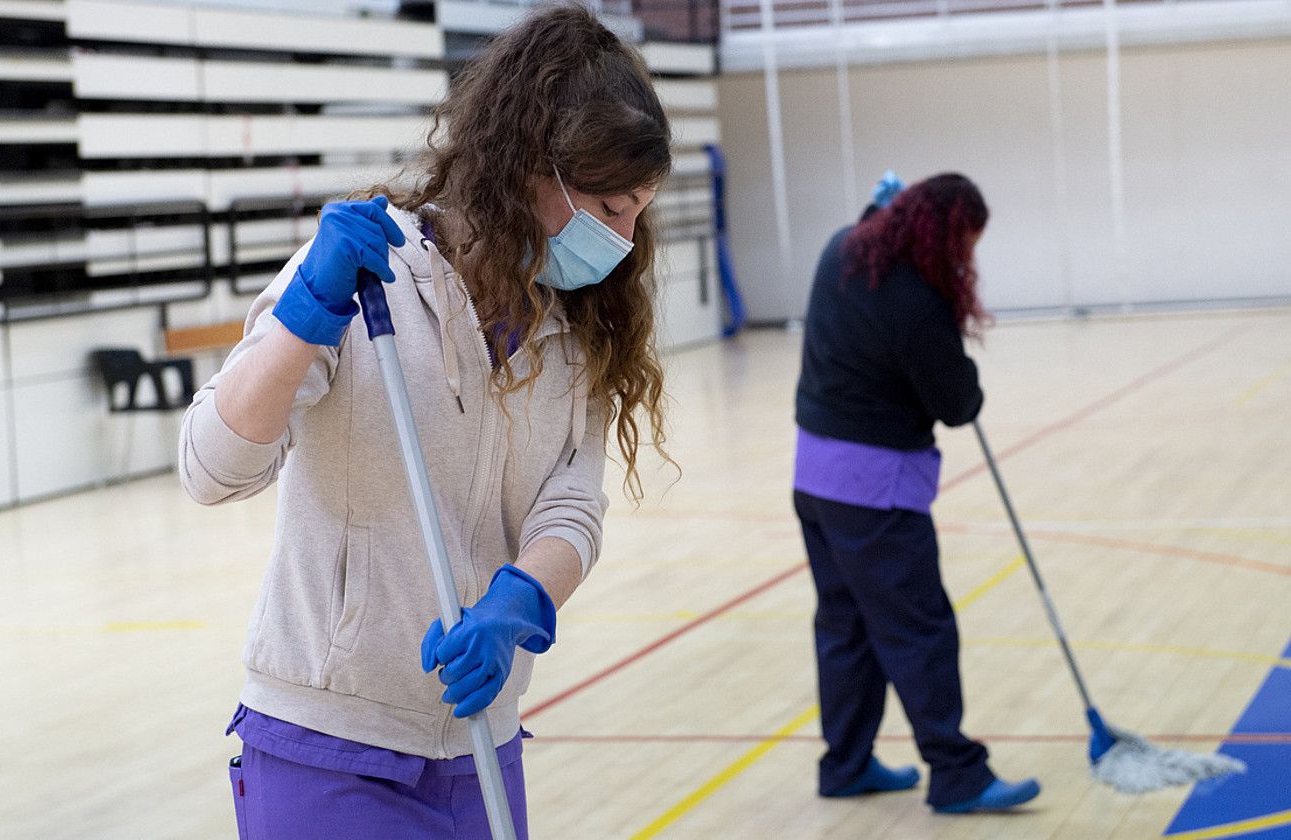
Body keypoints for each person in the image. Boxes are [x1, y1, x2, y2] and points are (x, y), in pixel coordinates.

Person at [178, 7, 671, 837]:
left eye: (636, 213)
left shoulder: (575, 326)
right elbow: (212, 468)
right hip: (328, 745)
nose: (623, 241)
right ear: (528, 170)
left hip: (478, 742)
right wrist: (306, 316)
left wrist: (524, 597)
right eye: (608, 207)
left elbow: (571, 504)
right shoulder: (369, 278)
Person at [792, 173, 1041, 813]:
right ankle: (958, 774)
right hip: (877, 493)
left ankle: (845, 765)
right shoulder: (913, 298)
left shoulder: (840, 248)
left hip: (815, 479)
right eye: (964, 244)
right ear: (940, 235)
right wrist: (970, 376)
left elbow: (874, 216)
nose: (965, 261)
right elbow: (956, 403)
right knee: (919, 628)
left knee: (845, 628)